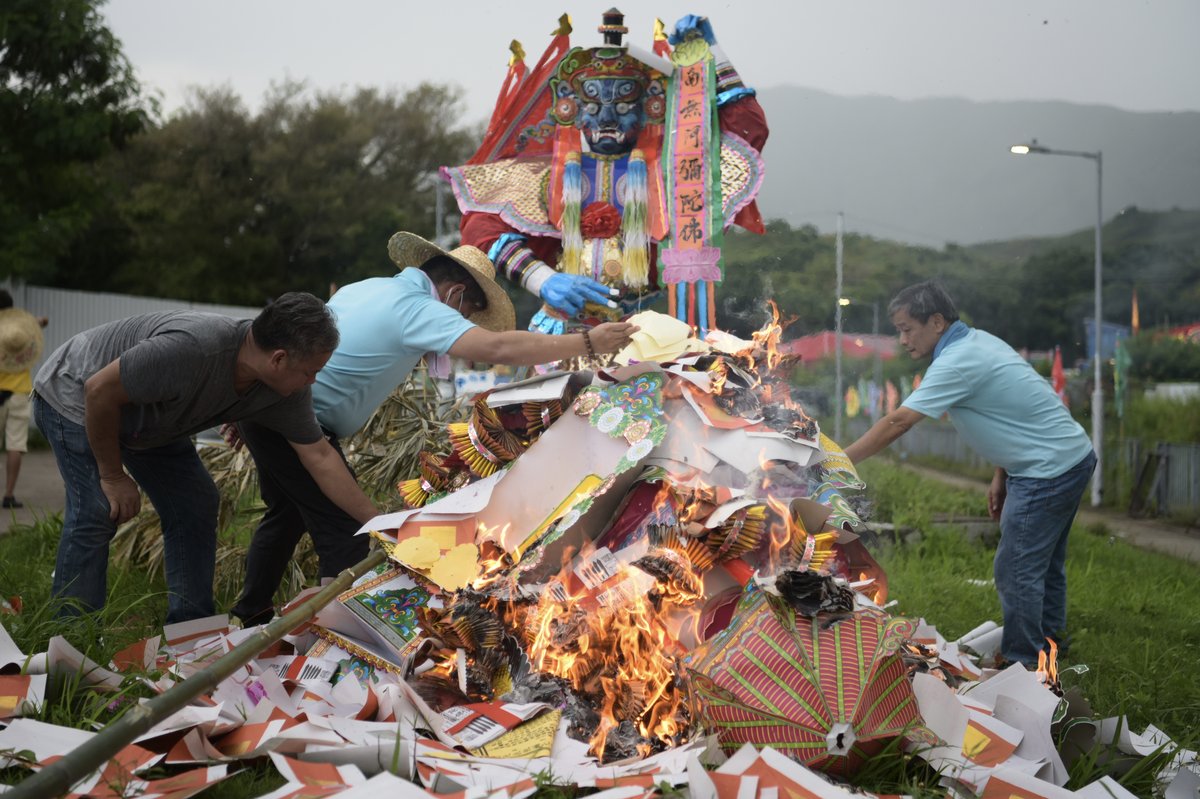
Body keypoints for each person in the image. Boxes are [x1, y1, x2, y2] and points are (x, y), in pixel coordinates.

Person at [229, 232, 638, 626]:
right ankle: (335, 637)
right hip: (300, 421)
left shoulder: (366, 286)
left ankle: (251, 615)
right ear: (456, 294)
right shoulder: (417, 308)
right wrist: (588, 343)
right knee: (346, 531)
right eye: (466, 316)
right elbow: (496, 347)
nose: (459, 324)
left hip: (269, 406)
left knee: (285, 515)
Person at [33, 293, 379, 624]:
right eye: (310, 371)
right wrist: (112, 476)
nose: (313, 380)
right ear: (278, 358)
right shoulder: (194, 348)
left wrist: (382, 524)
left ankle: (191, 630)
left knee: (195, 503)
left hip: (153, 423)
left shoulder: (284, 391)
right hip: (76, 395)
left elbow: (320, 456)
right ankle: (72, 638)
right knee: (97, 507)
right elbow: (99, 390)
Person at [444, 10, 768, 338]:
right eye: (594, 107)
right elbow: (479, 226)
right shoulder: (546, 176)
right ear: (572, 110)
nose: (608, 118)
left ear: (648, 110)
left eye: (625, 107)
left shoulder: (671, 176)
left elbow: (747, 130)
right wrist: (542, 278)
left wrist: (711, 50)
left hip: (646, 333)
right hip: (560, 338)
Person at [843, 280, 1096, 668]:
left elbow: (897, 422)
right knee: (1044, 563)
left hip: (1047, 470)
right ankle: (1048, 643)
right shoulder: (979, 342)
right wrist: (1002, 474)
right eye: (899, 330)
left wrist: (838, 461)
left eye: (907, 328)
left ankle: (1024, 661)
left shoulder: (957, 361)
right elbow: (1010, 411)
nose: (902, 339)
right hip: (1067, 456)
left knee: (1016, 567)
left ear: (938, 322)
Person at [0, 290, 48, 508]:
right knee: (15, 445)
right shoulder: (21, 331)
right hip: (19, 393)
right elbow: (38, 323)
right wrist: (38, 321)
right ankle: (9, 495)